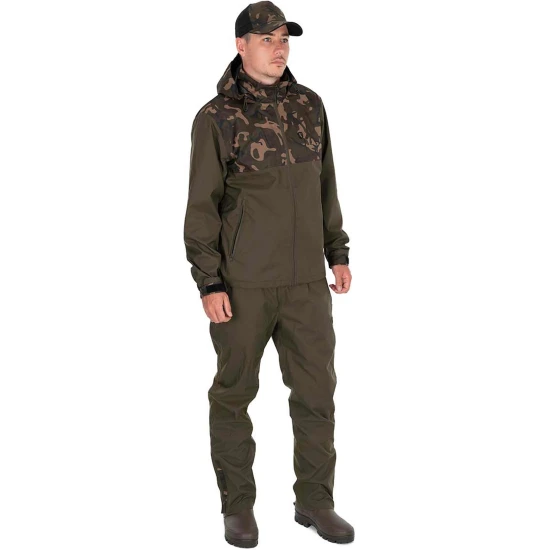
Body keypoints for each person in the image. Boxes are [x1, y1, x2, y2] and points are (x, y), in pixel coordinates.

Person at [183, 1, 354, 546]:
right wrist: (209, 281)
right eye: (266, 39)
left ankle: (316, 502)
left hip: (306, 284)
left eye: (284, 39)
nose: (278, 48)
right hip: (244, 284)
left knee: (317, 394)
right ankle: (238, 507)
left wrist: (337, 251)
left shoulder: (310, 105)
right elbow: (202, 207)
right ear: (241, 46)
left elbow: (326, 184)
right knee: (233, 395)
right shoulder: (216, 117)